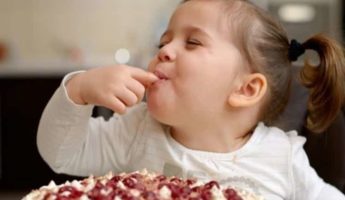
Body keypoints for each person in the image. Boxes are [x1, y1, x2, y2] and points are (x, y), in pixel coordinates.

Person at [37, 0, 345, 199]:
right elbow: (62, 154)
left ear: (245, 89)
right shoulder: (136, 132)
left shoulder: (281, 158)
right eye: (164, 41)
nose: (164, 51)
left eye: (193, 42)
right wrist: (78, 90)